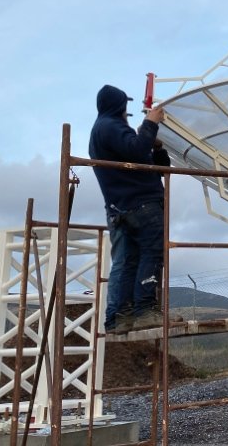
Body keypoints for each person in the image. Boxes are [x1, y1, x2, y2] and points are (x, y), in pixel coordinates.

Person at [90, 85, 169, 333]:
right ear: (120, 106)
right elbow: (135, 150)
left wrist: (155, 147)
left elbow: (153, 167)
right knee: (152, 253)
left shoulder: (102, 130)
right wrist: (150, 123)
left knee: (127, 261)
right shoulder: (111, 126)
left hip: (121, 208)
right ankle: (144, 310)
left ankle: (119, 317)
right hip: (141, 204)